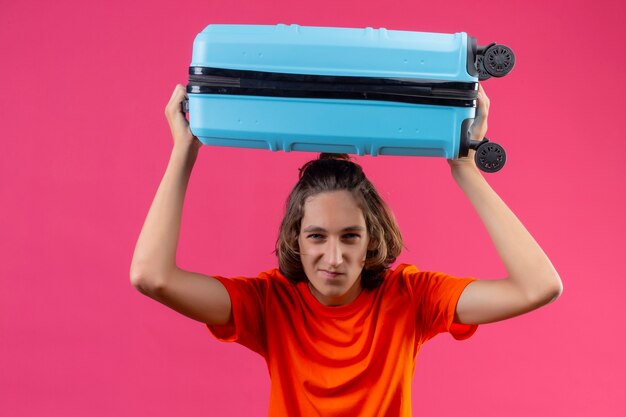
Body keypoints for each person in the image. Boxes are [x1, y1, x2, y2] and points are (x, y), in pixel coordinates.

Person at [130, 83, 563, 416]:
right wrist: (183, 150)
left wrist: (467, 169)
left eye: (350, 236)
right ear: (294, 240)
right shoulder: (269, 303)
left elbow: (538, 287)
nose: (334, 257)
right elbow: (151, 277)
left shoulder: (411, 297)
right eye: (317, 236)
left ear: (371, 239)